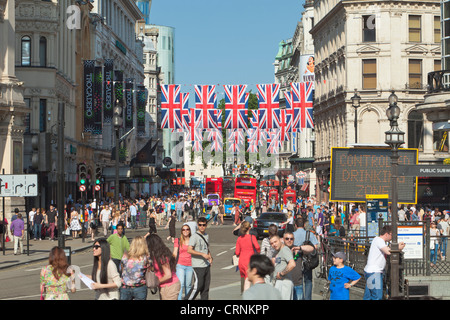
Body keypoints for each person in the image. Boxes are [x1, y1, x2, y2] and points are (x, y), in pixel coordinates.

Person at [363, 225, 406, 300]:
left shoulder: (377, 240)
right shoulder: (379, 240)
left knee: (369, 296)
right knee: (377, 297)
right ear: (387, 234)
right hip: (375, 272)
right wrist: (398, 247)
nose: (392, 237)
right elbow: (388, 251)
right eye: (391, 235)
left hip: (371, 272)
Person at [184, 217, 212, 300]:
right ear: (197, 225)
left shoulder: (206, 235)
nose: (202, 227)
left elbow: (206, 248)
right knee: (198, 286)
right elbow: (189, 250)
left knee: (205, 288)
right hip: (198, 265)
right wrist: (202, 254)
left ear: (206, 225)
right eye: (200, 225)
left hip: (206, 265)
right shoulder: (194, 236)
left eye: (203, 225)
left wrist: (210, 257)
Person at [146, 234, 181, 300]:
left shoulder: (162, 256)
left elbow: (168, 275)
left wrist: (155, 282)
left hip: (170, 286)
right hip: (165, 286)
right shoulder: (157, 255)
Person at [292, 217, 319, 300]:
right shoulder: (309, 234)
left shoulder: (292, 235)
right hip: (307, 259)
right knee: (308, 281)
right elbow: (315, 246)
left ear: (295, 225)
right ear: (304, 225)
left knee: (297, 281)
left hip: (296, 259)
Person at [120, 236, 150, 300]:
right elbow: (150, 269)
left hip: (125, 286)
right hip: (140, 286)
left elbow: (122, 269)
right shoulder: (145, 257)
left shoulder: (125, 256)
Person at [235, 221, 261, 293]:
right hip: (249, 261)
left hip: (241, 261)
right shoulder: (252, 237)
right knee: (249, 279)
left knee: (244, 277)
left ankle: (243, 292)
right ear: (249, 228)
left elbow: (237, 252)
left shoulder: (239, 238)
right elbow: (257, 247)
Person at [269, 234, 296, 300]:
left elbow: (292, 264)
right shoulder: (278, 251)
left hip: (284, 282)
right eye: (272, 243)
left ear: (280, 240)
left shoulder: (285, 249)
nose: (274, 244)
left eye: (275, 242)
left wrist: (282, 273)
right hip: (279, 282)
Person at [173, 224, 193, 300]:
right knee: (180, 284)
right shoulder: (177, 240)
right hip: (180, 265)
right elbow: (175, 253)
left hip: (190, 265)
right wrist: (171, 263)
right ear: (181, 231)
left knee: (188, 285)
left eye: (187, 229)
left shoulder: (192, 240)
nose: (185, 231)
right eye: (183, 229)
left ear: (189, 231)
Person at [283, 232, 304, 300]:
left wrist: (300, 248)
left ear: (294, 239)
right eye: (287, 238)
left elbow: (312, 249)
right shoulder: (280, 250)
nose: (289, 240)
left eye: (291, 239)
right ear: (283, 239)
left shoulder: (297, 249)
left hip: (297, 283)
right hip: (285, 283)